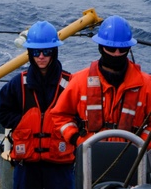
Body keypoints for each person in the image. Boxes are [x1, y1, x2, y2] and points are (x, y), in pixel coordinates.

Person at [51, 15, 151, 150]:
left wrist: (141, 144)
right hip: (90, 155)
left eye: (122, 49)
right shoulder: (79, 81)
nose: (116, 54)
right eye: (111, 49)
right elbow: (59, 115)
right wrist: (76, 139)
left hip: (132, 158)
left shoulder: (146, 85)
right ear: (100, 47)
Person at [0, 21, 75, 189]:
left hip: (60, 168)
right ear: (29, 53)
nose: (41, 56)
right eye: (36, 51)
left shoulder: (70, 85)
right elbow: (2, 112)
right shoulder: (17, 84)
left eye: (46, 51)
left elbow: (82, 117)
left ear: (54, 51)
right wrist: (24, 123)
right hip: (27, 168)